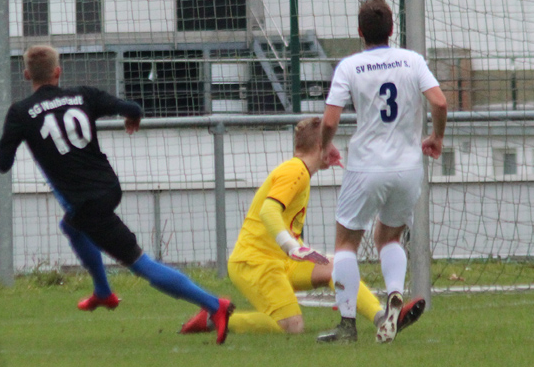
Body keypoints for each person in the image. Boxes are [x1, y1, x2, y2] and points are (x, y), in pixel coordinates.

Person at [0, 45, 234, 344]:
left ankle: (215, 305)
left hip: (87, 202)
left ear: (27, 73)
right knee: (71, 226)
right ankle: (103, 291)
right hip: (109, 187)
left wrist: (19, 141)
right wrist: (132, 119)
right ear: (58, 72)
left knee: (140, 264)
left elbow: (3, 163)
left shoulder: (20, 112)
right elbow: (132, 108)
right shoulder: (82, 95)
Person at [177, 117, 425, 337]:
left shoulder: (300, 171)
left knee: (334, 267)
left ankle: (384, 319)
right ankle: (214, 318)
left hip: (281, 260)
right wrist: (290, 246)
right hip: (254, 263)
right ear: (320, 146)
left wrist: (292, 249)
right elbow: (268, 211)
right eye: (330, 141)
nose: (335, 147)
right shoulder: (295, 171)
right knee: (291, 327)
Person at [317, 0, 448, 344]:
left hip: (366, 167)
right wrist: (436, 136)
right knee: (388, 238)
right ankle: (394, 294)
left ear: (360, 32)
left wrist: (324, 146)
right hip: (407, 167)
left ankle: (347, 325)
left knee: (345, 244)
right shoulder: (412, 60)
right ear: (392, 30)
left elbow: (330, 119)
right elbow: (439, 101)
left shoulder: (350, 66)